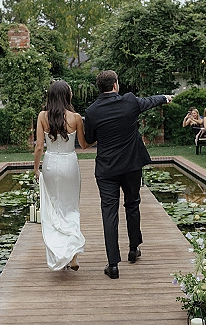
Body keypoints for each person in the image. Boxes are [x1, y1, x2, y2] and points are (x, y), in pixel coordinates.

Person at [84, 70, 172, 279]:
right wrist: (165, 98)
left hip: (106, 169)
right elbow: (150, 101)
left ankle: (113, 264)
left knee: (109, 212)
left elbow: (88, 139)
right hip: (131, 165)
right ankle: (133, 249)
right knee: (132, 204)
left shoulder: (92, 111)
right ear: (115, 85)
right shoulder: (130, 102)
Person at [33, 80, 91, 271]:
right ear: (67, 95)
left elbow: (39, 146)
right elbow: (83, 145)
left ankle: (59, 253)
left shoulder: (42, 116)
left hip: (50, 163)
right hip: (69, 163)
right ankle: (72, 255)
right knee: (70, 208)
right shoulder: (75, 118)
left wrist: (36, 169)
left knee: (54, 208)